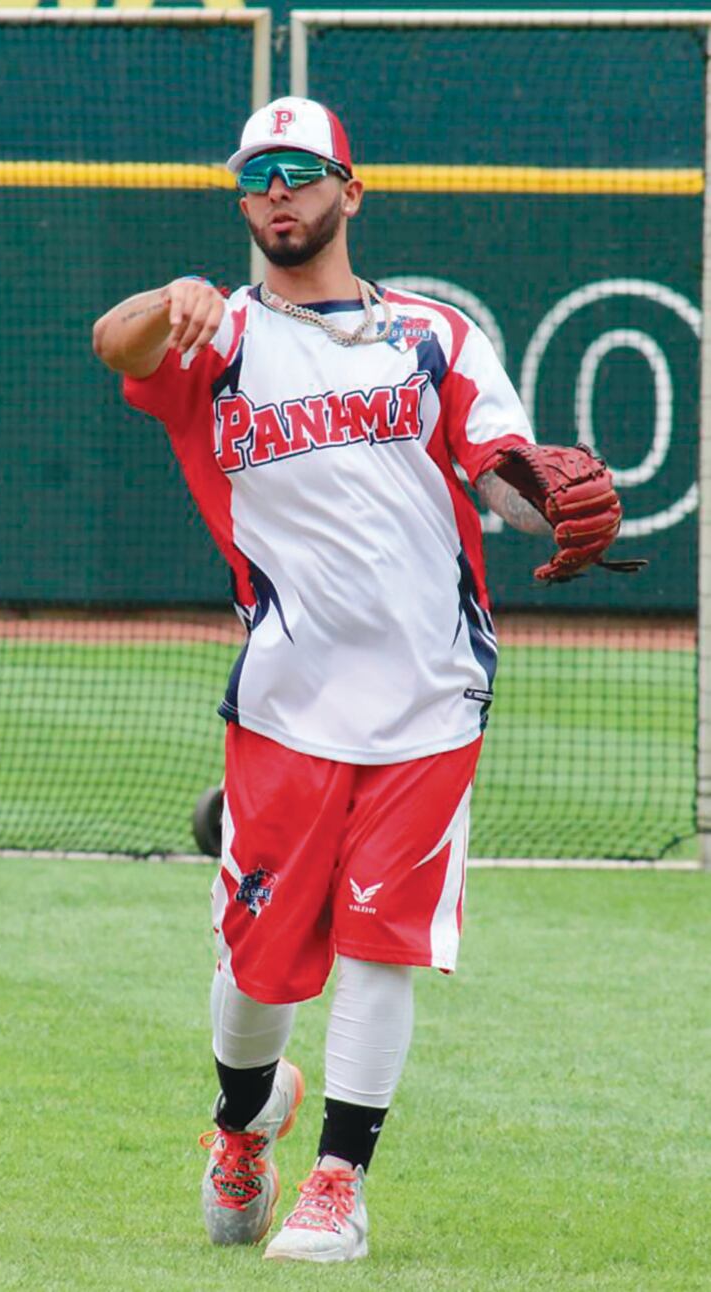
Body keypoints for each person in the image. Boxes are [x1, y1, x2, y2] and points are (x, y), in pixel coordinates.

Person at [92, 96, 632, 1264]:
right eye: (256, 175)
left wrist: (541, 495)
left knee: (384, 941)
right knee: (253, 966)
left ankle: (337, 1180)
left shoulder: (433, 334)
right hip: (285, 695)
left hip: (431, 688)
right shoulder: (218, 334)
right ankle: (243, 1125)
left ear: (350, 188)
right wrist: (161, 303)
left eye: (299, 169)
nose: (276, 190)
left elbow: (496, 465)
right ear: (242, 200)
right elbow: (113, 347)